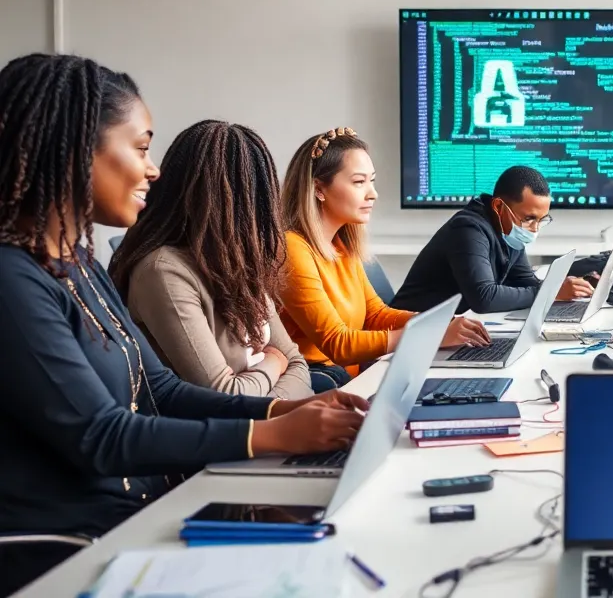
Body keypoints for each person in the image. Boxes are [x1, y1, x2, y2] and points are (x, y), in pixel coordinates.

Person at [0, 55, 368, 594]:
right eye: (142, 148)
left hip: (147, 511)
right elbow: (101, 437)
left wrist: (285, 408)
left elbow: (163, 390)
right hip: (73, 547)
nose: (153, 170)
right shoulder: (12, 279)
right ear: (75, 149)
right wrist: (272, 433)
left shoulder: (80, 266)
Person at [109, 121, 315, 399]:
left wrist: (274, 380)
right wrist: (274, 364)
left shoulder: (237, 262)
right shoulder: (162, 272)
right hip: (222, 434)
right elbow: (223, 395)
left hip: (267, 425)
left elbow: (297, 362)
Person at [277, 128, 489, 383]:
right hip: (321, 385)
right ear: (319, 189)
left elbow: (374, 315)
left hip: (353, 380)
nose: (373, 193)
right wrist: (428, 333)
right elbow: (337, 343)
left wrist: (439, 322)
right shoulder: (292, 248)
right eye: (358, 182)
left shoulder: (341, 245)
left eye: (372, 180)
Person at [391, 166, 594, 314]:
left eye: (542, 220)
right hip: (409, 332)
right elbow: (484, 298)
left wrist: (572, 285)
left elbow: (526, 283)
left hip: (448, 329)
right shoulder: (467, 229)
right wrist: (550, 292)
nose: (535, 229)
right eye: (529, 218)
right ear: (498, 207)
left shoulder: (509, 233)